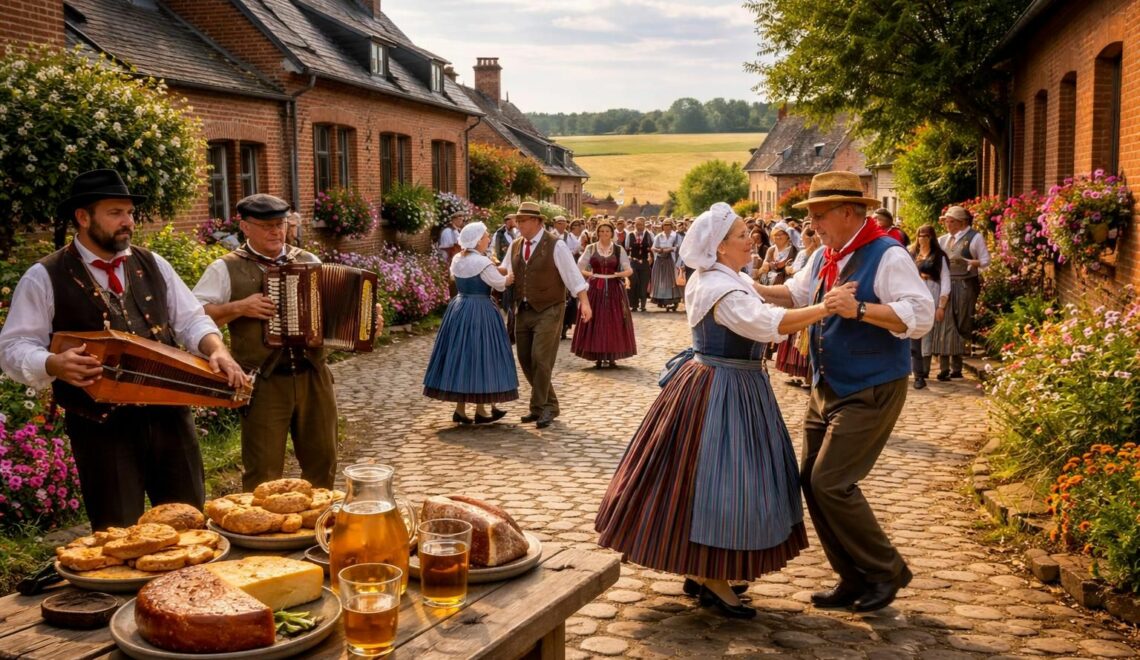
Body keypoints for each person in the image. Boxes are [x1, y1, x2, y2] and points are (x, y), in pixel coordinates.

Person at [596, 203, 831, 619]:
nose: (750, 238)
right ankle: (711, 576)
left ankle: (702, 569)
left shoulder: (724, 278)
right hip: (724, 388)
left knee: (702, 482)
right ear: (720, 247)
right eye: (742, 234)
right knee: (723, 482)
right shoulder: (721, 288)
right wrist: (826, 309)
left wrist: (809, 293)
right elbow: (767, 326)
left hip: (724, 382)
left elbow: (771, 301)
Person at [0, 169, 247, 529]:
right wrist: (53, 362)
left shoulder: (153, 263)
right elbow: (13, 346)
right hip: (102, 429)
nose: (127, 222)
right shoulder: (44, 275)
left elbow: (191, 319)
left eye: (130, 212)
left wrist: (216, 349)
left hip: (170, 417)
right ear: (83, 218)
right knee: (118, 534)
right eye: (115, 213)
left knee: (190, 523)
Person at [755, 170, 934, 612]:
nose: (812, 224)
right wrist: (737, 285)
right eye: (811, 216)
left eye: (819, 215)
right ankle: (852, 577)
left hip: (871, 385)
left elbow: (921, 314)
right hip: (826, 384)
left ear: (850, 212)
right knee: (810, 483)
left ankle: (887, 570)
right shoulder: (824, 257)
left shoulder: (888, 255)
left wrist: (860, 309)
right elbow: (796, 294)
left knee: (831, 482)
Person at [194, 193, 348, 491]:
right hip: (263, 381)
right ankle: (260, 534)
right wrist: (239, 307)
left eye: (281, 224)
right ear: (245, 227)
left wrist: (364, 324)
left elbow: (335, 313)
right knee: (262, 471)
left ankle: (314, 533)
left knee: (323, 462)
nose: (276, 231)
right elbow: (195, 316)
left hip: (314, 377)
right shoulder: (224, 268)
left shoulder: (308, 261)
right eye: (267, 225)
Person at [503, 202, 592, 429]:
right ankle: (550, 404)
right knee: (525, 359)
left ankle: (540, 407)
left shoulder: (555, 245)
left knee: (541, 358)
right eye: (518, 220)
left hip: (550, 308)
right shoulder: (514, 246)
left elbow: (572, 275)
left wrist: (584, 302)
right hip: (523, 309)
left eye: (523, 220)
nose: (519, 224)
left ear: (537, 222)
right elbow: (505, 271)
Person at [423, 222, 518, 423]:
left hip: (459, 307)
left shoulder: (458, 259)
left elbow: (455, 278)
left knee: (462, 355)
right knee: (482, 355)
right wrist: (509, 277)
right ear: (476, 240)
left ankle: (462, 409)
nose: (488, 239)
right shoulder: (482, 262)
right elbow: (499, 285)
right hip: (480, 310)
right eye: (485, 237)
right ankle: (482, 410)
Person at [932, 205, 990, 380]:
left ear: (962, 222)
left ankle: (957, 366)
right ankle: (944, 367)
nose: (947, 225)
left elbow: (986, 261)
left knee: (962, 322)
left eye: (951, 221)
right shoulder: (942, 240)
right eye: (946, 221)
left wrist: (969, 262)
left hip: (965, 284)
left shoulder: (974, 237)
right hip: (945, 284)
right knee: (944, 323)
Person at [572, 219, 636, 368]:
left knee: (614, 320)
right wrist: (591, 274)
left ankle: (612, 355)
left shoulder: (619, 249)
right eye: (601, 231)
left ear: (612, 233)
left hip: (614, 287)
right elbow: (578, 266)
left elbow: (629, 269)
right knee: (596, 319)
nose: (604, 234)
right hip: (595, 287)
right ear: (598, 233)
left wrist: (619, 274)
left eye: (607, 231)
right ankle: (598, 355)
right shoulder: (591, 248)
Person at [774, 227, 822, 387]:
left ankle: (805, 375)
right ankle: (805, 376)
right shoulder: (815, 253)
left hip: (806, 303)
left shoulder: (807, 253)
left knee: (803, 339)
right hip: (803, 299)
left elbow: (796, 272)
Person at [909, 225, 950, 389]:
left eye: (926, 236)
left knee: (929, 333)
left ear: (932, 238)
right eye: (920, 236)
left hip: (932, 294)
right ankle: (918, 373)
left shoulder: (940, 256)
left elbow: (945, 280)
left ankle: (926, 368)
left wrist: (941, 305)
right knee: (914, 333)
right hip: (915, 295)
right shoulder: (912, 254)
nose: (922, 239)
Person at [649, 219, 683, 311]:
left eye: (668, 225)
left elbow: (679, 247)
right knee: (661, 280)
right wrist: (658, 250)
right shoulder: (659, 236)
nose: (667, 227)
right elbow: (653, 247)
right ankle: (662, 300)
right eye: (665, 225)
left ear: (672, 226)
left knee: (672, 280)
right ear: (662, 226)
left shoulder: (676, 236)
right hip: (660, 260)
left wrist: (670, 249)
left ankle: (674, 300)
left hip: (671, 260)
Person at [561, 220, 586, 340]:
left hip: (573, 268)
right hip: (562, 270)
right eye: (576, 226)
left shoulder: (574, 238)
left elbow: (578, 250)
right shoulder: (561, 237)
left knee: (571, 300)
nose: (579, 228)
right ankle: (562, 326)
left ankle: (566, 327)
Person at [625, 217, 654, 312]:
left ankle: (643, 305)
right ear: (634, 225)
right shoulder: (630, 235)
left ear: (644, 225)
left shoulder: (649, 235)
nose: (639, 227)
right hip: (633, 261)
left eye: (641, 224)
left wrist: (651, 259)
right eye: (637, 224)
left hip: (645, 262)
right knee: (634, 282)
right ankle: (634, 304)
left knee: (643, 283)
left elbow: (652, 247)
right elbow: (627, 248)